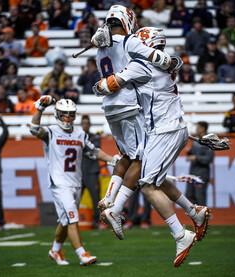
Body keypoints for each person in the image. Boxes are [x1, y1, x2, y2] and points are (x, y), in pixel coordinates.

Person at [95, 26, 211, 267]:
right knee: (155, 178)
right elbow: (175, 62)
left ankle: (181, 235)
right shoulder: (165, 64)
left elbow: (108, 85)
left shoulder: (141, 65)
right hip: (171, 127)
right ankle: (194, 211)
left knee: (147, 186)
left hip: (164, 130)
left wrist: (98, 74)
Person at [29, 97, 119, 265]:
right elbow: (34, 129)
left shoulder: (80, 134)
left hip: (76, 182)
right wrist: (40, 107)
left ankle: (55, 250)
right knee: (72, 217)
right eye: (64, 115)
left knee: (65, 220)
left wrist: (112, 160)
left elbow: (93, 152)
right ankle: (82, 254)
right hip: (59, 183)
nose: (67, 118)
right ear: (57, 115)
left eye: (70, 115)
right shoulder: (51, 132)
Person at [185, 121, 214, 206]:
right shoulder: (196, 140)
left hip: (202, 172)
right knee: (189, 194)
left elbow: (209, 158)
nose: (196, 129)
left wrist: (196, 158)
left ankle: (204, 214)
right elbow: (193, 154)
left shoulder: (209, 141)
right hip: (193, 171)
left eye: (198, 127)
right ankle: (198, 212)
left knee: (200, 194)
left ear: (203, 128)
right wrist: (189, 153)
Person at [81, 115, 102, 229]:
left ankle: (98, 221)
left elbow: (94, 151)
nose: (85, 125)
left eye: (87, 123)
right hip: (80, 172)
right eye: (83, 123)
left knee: (96, 198)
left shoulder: (95, 137)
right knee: (75, 198)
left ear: (89, 124)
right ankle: (70, 220)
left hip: (92, 171)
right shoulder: (78, 136)